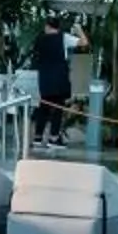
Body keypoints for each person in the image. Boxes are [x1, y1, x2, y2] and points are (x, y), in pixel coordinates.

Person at [31, 10, 82, 145]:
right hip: (60, 78)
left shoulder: (39, 39)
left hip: (44, 78)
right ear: (58, 27)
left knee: (44, 106)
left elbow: (36, 56)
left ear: (47, 26)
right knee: (58, 107)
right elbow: (84, 43)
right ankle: (54, 137)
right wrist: (79, 31)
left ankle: (38, 136)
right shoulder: (64, 38)